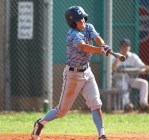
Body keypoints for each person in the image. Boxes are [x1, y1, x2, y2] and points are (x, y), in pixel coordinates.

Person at [31, 6, 110, 140]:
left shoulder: (88, 27)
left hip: (87, 71)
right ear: (72, 22)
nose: (82, 21)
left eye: (83, 18)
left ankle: (102, 135)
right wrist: (100, 50)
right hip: (73, 75)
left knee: (96, 104)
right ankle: (40, 123)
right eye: (79, 19)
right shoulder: (72, 35)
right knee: (61, 111)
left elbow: (97, 38)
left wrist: (103, 45)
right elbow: (84, 47)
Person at [112, 38, 149, 112]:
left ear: (129, 48)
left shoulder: (133, 57)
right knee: (124, 84)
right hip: (119, 80)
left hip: (131, 79)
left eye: (127, 46)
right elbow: (113, 68)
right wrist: (119, 58)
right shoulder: (115, 56)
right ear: (120, 47)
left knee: (144, 83)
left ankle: (143, 104)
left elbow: (142, 66)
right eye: (123, 46)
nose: (125, 48)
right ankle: (127, 105)